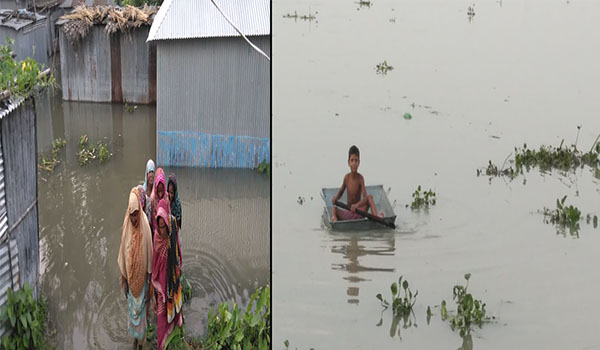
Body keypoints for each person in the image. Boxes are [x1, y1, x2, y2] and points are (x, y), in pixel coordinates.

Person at [117, 187, 153, 350]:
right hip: (131, 278)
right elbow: (123, 251)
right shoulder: (126, 225)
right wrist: (124, 277)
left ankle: (141, 342)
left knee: (143, 309)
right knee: (133, 309)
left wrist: (151, 282)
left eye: (136, 214)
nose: (134, 218)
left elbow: (150, 254)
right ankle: (135, 338)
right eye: (131, 214)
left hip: (143, 277)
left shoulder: (145, 224)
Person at [152, 198, 183, 350]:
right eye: (160, 225)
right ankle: (161, 339)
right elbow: (155, 260)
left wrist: (178, 266)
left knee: (174, 302)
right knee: (161, 310)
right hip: (161, 278)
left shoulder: (172, 228)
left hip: (172, 274)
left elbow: (177, 247)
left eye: (164, 224)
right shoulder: (157, 236)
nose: (162, 228)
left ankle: (176, 324)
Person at [331, 145, 382, 222]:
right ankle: (334, 220)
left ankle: (377, 219)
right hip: (348, 212)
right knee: (334, 209)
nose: (354, 163)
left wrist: (356, 205)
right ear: (348, 163)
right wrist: (336, 198)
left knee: (370, 197)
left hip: (359, 212)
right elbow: (341, 191)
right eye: (352, 161)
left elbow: (365, 198)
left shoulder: (360, 178)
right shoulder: (346, 178)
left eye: (356, 160)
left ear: (359, 162)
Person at [150, 168, 169, 237]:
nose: (160, 194)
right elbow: (152, 218)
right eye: (159, 191)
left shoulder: (167, 198)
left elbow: (168, 215)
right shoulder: (152, 198)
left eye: (162, 191)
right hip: (155, 230)